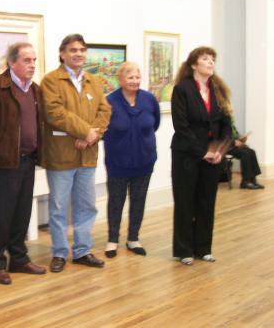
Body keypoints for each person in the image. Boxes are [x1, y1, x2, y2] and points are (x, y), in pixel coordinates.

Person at [0, 42, 47, 285]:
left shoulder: (36, 90)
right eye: (27, 60)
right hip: (2, 164)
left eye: (34, 60)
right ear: (12, 63)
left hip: (28, 162)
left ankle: (19, 258)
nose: (32, 65)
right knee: (0, 216)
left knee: (22, 214)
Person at [41, 34, 111, 273]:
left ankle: (82, 250)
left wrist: (93, 134)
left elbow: (105, 109)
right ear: (62, 54)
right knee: (59, 207)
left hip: (87, 155)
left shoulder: (94, 80)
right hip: (61, 155)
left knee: (86, 205)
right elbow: (55, 113)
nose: (78, 54)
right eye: (73, 50)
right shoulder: (51, 81)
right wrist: (85, 132)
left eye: (82, 50)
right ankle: (59, 253)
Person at [171, 46, 232, 266]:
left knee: (207, 202)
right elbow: (181, 126)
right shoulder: (182, 89)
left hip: (213, 154)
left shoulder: (218, 90)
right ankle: (184, 250)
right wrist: (202, 151)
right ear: (194, 65)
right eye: (205, 59)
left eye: (213, 59)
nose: (211, 62)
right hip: (187, 154)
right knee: (185, 202)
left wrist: (220, 149)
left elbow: (226, 124)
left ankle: (203, 248)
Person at [102, 62, 160, 258]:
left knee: (138, 200)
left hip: (144, 161)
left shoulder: (149, 99)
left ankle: (133, 238)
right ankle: (112, 240)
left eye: (137, 77)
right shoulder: (109, 101)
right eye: (130, 77)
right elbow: (102, 128)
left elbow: (155, 124)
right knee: (116, 201)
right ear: (120, 79)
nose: (134, 81)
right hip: (117, 162)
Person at [228, 121, 264, 189]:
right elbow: (220, 139)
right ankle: (245, 181)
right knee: (245, 153)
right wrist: (233, 142)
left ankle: (253, 179)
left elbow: (237, 137)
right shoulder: (221, 125)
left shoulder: (232, 126)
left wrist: (242, 139)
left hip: (234, 147)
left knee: (252, 152)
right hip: (226, 148)